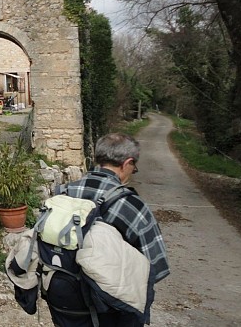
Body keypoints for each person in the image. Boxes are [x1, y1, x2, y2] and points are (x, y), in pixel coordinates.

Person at [48, 132, 170, 327]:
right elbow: (156, 266)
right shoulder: (132, 206)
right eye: (134, 167)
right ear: (127, 163)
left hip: (66, 305)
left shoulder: (62, 194)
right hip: (110, 309)